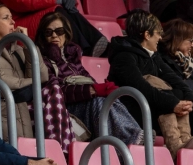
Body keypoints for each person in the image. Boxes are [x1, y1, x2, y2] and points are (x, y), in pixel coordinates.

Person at [107, 9, 193, 157]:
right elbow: (142, 89)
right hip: (134, 111)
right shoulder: (124, 57)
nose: (160, 38)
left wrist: (190, 100)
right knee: (174, 98)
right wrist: (173, 102)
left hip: (152, 106)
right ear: (146, 35)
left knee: (190, 103)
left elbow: (175, 80)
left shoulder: (153, 56)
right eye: (157, 33)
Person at [0, 4, 76, 152]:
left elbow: (42, 75)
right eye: (6, 18)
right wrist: (34, 83)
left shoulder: (17, 49)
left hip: (21, 112)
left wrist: (27, 45)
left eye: (12, 17)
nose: (12, 22)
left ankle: (58, 150)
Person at [35, 12, 144, 147]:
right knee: (98, 102)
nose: (54, 36)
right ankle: (131, 140)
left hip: (85, 103)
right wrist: (91, 90)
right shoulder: (42, 59)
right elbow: (54, 92)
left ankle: (133, 137)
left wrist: (101, 88)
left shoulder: (73, 56)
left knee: (110, 99)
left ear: (67, 33)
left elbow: (88, 80)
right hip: (66, 108)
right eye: (48, 32)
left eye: (59, 31)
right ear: (43, 36)